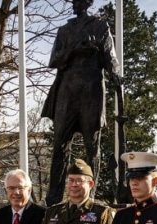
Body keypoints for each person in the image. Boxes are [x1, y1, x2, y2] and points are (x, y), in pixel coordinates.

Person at [41, 0, 120, 206]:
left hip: (91, 90)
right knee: (60, 144)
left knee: (92, 144)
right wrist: (73, 50)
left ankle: (89, 197)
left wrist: (115, 74)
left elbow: (110, 57)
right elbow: (54, 60)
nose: (77, 4)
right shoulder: (65, 30)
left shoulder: (100, 26)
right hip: (67, 91)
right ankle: (54, 199)